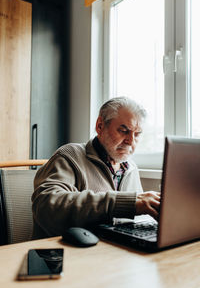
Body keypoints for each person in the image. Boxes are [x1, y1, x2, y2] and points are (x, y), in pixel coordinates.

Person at [32, 96, 160, 239]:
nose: (131, 141)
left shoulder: (131, 168)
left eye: (137, 134)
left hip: (114, 251)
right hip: (68, 252)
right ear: (100, 126)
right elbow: (47, 207)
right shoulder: (69, 155)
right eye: (123, 130)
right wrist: (129, 203)